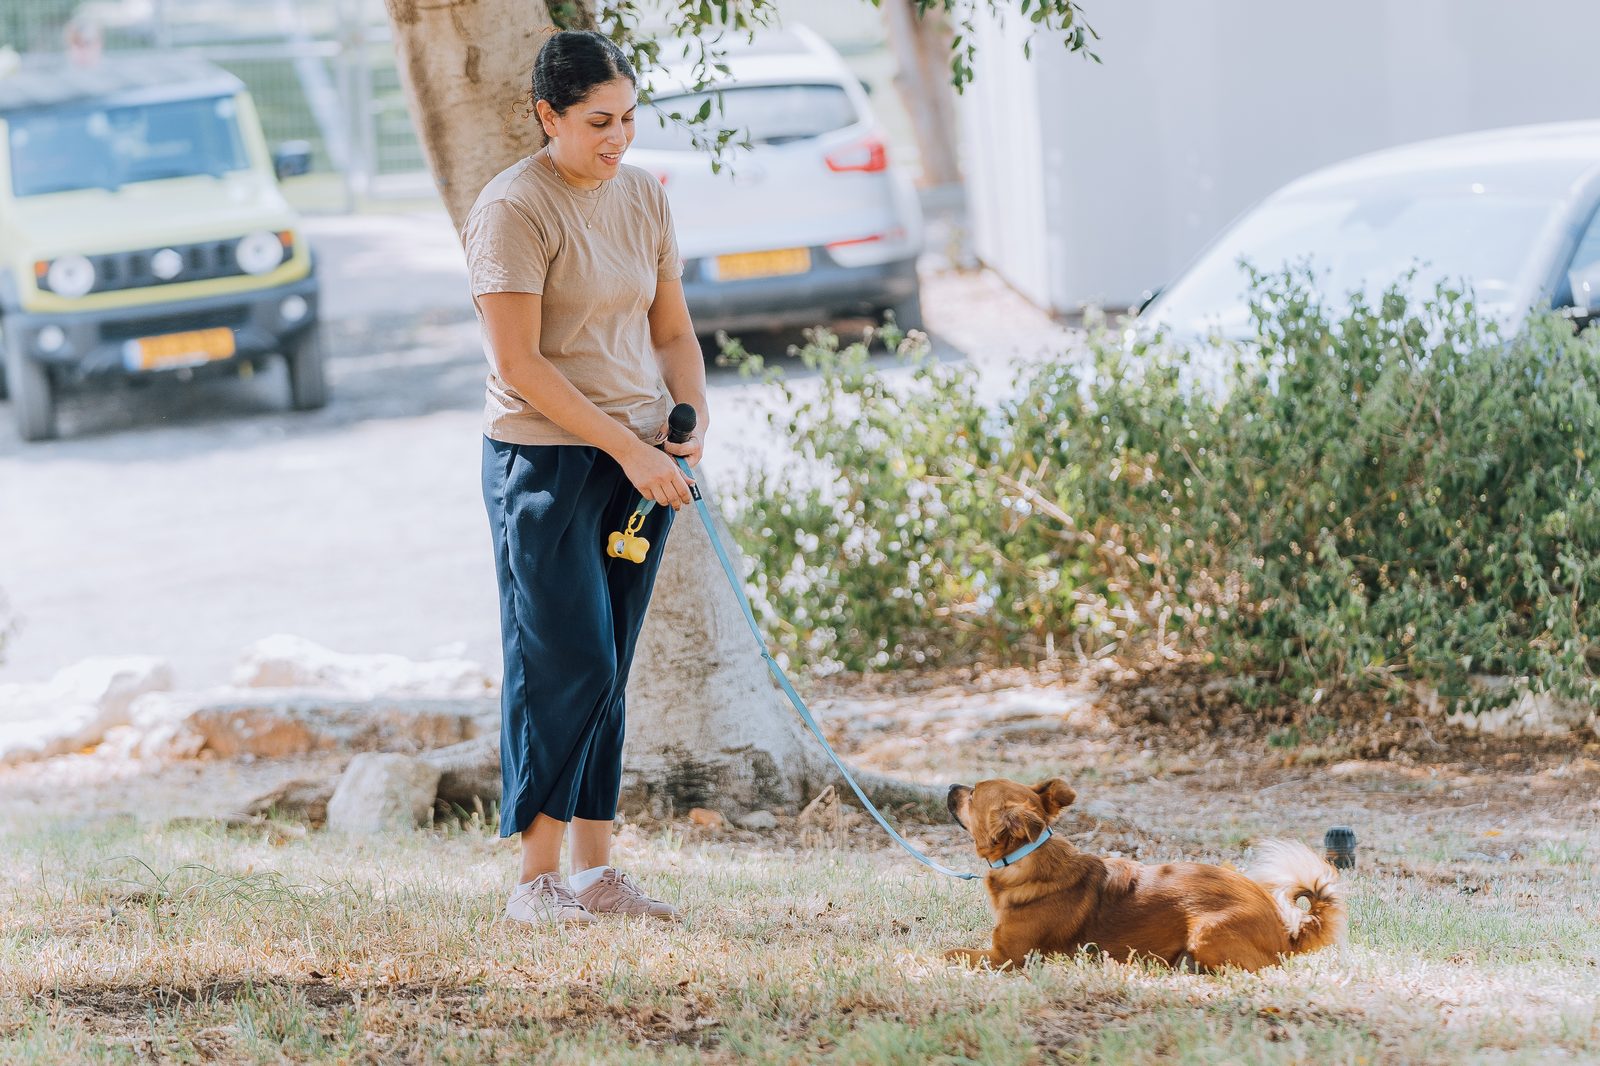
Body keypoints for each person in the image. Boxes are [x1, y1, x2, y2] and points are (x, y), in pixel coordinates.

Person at [463, 29, 708, 926]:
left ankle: (599, 875)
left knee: (611, 666)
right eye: (599, 120)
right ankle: (535, 883)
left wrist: (689, 418)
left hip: (639, 463)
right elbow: (522, 365)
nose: (620, 137)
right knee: (561, 662)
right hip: (546, 459)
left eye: (630, 117)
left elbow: (673, 332)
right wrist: (628, 449)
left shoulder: (643, 196)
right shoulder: (512, 210)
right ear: (546, 116)